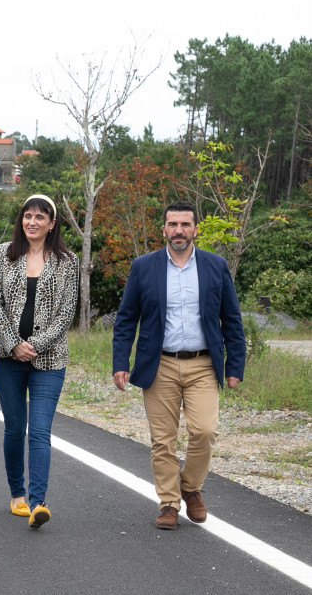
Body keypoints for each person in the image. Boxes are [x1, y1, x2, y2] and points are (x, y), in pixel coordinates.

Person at [112, 200, 246, 530]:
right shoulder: (144, 266)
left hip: (203, 364)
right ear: (164, 230)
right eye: (173, 225)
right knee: (163, 439)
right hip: (160, 364)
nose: (179, 231)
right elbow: (127, 318)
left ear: (195, 229)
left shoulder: (216, 266)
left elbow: (231, 319)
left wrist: (234, 365)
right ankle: (169, 502)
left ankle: (191, 487)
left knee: (204, 431)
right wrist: (120, 362)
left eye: (185, 225)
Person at [0, 194, 78, 529]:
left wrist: (34, 345)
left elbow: (66, 313)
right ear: (21, 220)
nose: (33, 222)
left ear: (52, 223)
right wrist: (14, 344)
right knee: (15, 429)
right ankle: (18, 495)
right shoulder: (4, 254)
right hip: (5, 357)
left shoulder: (67, 261)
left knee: (40, 431)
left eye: (41, 217)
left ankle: (39, 503)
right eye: (28, 216)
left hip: (50, 359)